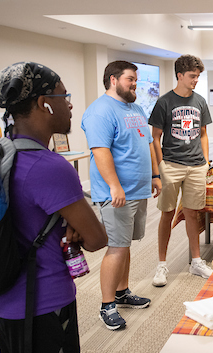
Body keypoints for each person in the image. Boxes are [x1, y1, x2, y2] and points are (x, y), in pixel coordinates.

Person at [0, 62, 108, 353]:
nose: (70, 104)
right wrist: (74, 225)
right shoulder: (49, 167)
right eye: (64, 95)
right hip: (43, 302)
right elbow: (96, 239)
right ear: (44, 104)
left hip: (1, 295)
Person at [82, 61, 161, 330]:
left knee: (125, 244)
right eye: (130, 79)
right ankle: (107, 305)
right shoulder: (100, 112)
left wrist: (155, 175)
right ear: (113, 79)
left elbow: (148, 143)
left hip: (137, 189)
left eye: (136, 79)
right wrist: (115, 186)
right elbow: (100, 151)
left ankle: (122, 292)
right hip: (116, 193)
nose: (135, 84)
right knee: (116, 247)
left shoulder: (136, 108)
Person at [149, 54, 213, 287]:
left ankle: (196, 261)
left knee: (193, 213)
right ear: (179, 75)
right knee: (167, 214)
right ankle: (162, 264)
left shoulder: (200, 101)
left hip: (196, 166)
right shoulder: (164, 102)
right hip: (172, 165)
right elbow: (155, 138)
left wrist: (205, 161)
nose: (196, 80)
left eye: (198, 76)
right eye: (192, 76)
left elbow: (204, 133)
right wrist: (159, 168)